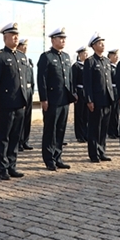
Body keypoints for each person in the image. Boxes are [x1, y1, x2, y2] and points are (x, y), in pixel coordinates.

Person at [0, 22, 31, 180]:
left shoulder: (21, 56)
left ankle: (12, 165)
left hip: (19, 102)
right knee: (3, 137)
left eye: (17, 35)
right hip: (5, 103)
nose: (15, 38)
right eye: (12, 35)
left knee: (15, 137)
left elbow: (24, 79)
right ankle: (2, 168)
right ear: (5, 38)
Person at [36, 27, 75, 171]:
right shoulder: (46, 57)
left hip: (64, 99)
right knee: (50, 130)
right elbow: (41, 79)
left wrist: (73, 94)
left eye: (64, 38)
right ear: (53, 40)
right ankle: (49, 159)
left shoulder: (66, 56)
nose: (63, 41)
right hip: (52, 100)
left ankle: (58, 156)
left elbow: (69, 78)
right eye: (60, 38)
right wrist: (43, 99)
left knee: (60, 129)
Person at [83, 33, 114, 162]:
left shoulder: (106, 61)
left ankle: (102, 151)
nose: (103, 45)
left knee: (104, 128)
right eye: (100, 43)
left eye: (103, 43)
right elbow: (87, 83)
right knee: (95, 128)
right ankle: (93, 153)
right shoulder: (90, 61)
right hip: (96, 100)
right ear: (94, 46)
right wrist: (89, 100)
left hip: (107, 98)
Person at [17, 38, 35, 151]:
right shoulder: (17, 58)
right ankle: (18, 141)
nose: (25, 48)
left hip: (28, 90)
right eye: (23, 45)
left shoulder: (29, 60)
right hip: (21, 90)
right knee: (20, 117)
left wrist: (32, 89)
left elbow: (31, 77)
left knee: (27, 116)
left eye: (26, 45)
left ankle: (25, 140)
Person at [72, 46, 88, 143]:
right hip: (79, 91)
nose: (86, 55)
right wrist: (74, 93)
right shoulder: (76, 66)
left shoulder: (88, 65)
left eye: (87, 53)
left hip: (86, 92)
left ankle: (86, 134)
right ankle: (79, 135)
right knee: (79, 114)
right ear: (80, 55)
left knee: (86, 115)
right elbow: (73, 81)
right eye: (84, 53)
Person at [107, 49, 120, 139]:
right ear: (110, 57)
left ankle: (115, 130)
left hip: (117, 91)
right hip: (111, 90)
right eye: (114, 55)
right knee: (111, 113)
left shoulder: (117, 67)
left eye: (117, 55)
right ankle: (111, 132)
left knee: (116, 112)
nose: (116, 57)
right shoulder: (109, 67)